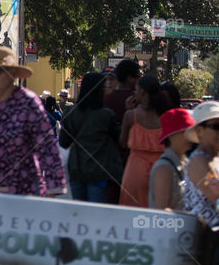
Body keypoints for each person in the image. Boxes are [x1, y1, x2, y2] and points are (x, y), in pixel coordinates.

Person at [0, 47, 66, 198]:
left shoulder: (28, 102)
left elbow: (47, 147)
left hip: (21, 192)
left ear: (12, 74)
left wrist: (51, 192)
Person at [59, 72, 122, 203]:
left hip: (76, 170)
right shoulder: (106, 115)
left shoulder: (72, 113)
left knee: (80, 213)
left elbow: (64, 143)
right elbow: (121, 140)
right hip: (99, 173)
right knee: (96, 216)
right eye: (104, 87)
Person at [119, 76, 170, 208]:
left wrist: (127, 110)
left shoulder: (131, 116)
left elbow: (123, 143)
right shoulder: (166, 116)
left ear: (142, 92)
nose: (134, 93)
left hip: (135, 169)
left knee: (132, 212)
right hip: (162, 168)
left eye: (136, 90)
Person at [181, 102, 219, 230]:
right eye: (216, 127)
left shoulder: (213, 157)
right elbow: (216, 199)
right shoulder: (200, 160)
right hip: (206, 241)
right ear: (199, 130)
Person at [150, 108, 194, 210]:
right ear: (171, 136)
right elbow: (161, 211)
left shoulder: (186, 162)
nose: (189, 136)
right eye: (184, 132)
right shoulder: (163, 168)